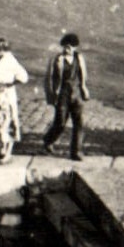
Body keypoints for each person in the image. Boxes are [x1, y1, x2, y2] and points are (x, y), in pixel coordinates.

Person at [42, 32, 89, 161]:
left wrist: (84, 88)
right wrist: (51, 95)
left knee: (79, 123)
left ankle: (76, 152)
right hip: (62, 94)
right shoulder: (57, 60)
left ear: (75, 48)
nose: (67, 49)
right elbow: (49, 79)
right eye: (65, 46)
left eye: (71, 47)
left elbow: (83, 76)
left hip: (76, 94)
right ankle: (48, 140)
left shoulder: (79, 58)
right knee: (60, 123)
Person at [0, 37, 29, 162]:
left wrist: (10, 83)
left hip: (7, 94)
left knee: (8, 121)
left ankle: (8, 152)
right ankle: (2, 149)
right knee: (0, 120)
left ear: (2, 48)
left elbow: (23, 77)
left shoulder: (10, 60)